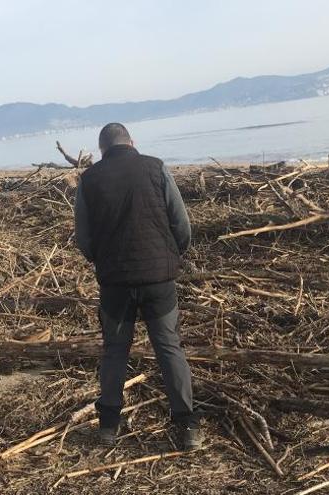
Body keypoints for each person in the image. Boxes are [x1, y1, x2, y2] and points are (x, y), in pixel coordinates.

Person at [74, 123, 202, 450]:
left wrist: (101, 260)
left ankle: (108, 427)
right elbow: (181, 223)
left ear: (102, 149)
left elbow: (83, 238)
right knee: (169, 348)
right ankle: (187, 427)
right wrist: (172, 255)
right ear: (132, 142)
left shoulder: (89, 179)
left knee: (115, 352)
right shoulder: (155, 167)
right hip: (159, 280)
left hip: (115, 283)